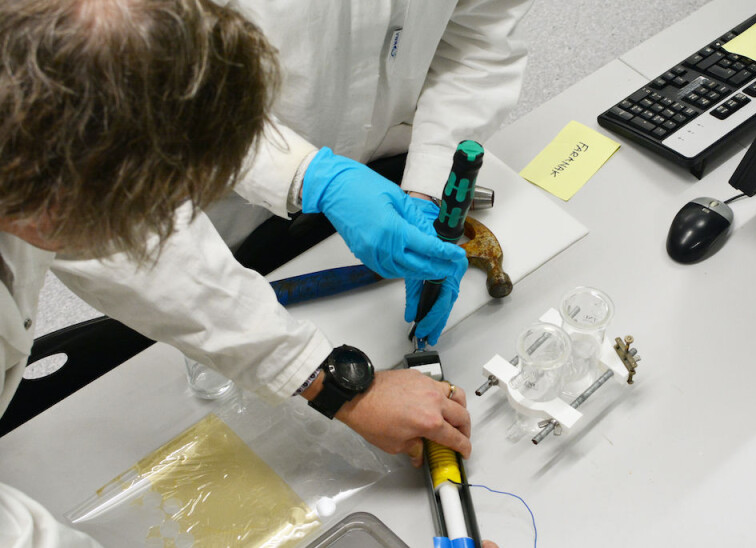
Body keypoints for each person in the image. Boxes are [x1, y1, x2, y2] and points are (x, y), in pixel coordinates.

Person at [0, 0, 523, 546]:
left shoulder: (37, 134)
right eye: (163, 200)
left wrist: (309, 173)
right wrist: (336, 387)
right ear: (52, 206)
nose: (166, 219)